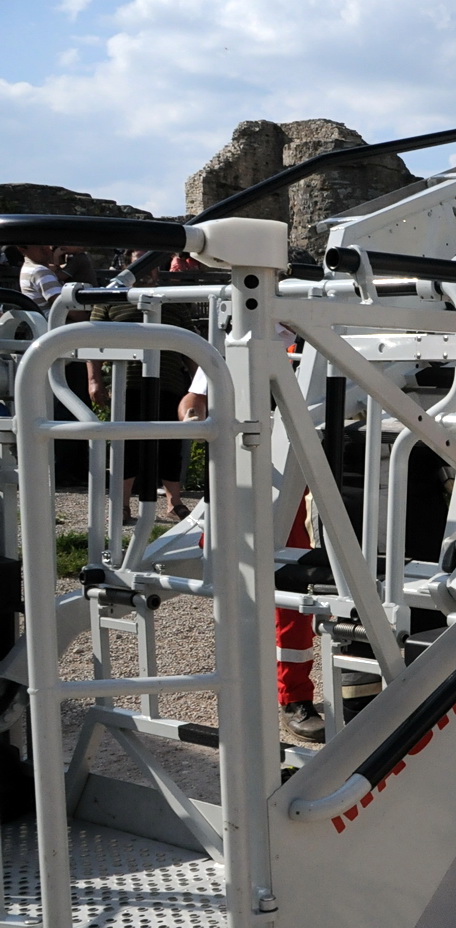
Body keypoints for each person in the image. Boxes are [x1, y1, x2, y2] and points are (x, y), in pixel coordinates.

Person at [180, 327, 326, 743]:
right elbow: (194, 399)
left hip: (297, 478)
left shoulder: (316, 334)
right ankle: (240, 688)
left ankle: (295, 696)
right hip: (238, 476)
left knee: (295, 589)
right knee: (233, 584)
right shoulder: (235, 336)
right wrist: (193, 418)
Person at [86, 252, 193, 522]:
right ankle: (121, 505)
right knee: (127, 442)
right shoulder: (110, 297)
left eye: (150, 262)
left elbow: (192, 345)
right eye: (138, 261)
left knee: (171, 442)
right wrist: (94, 379)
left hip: (169, 380)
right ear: (126, 265)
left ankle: (173, 502)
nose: (146, 269)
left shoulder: (171, 300)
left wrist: (199, 385)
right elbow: (91, 340)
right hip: (128, 382)